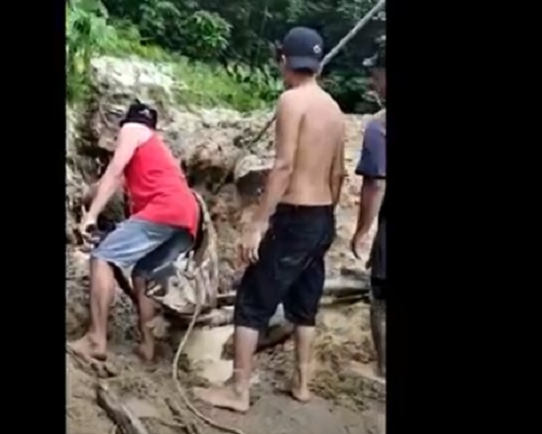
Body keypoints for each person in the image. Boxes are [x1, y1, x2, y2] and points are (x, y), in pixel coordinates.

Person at [195, 26, 346, 412]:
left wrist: (260, 223)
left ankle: (238, 391)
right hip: (322, 217)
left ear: (284, 60)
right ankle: (302, 383)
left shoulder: (291, 101)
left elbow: (282, 167)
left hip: (295, 217)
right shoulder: (334, 109)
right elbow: (338, 174)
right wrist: (325, 215)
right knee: (305, 301)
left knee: (252, 299)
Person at [69, 101, 200, 363]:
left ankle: (95, 339)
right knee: (143, 273)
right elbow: (111, 182)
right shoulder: (155, 149)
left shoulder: (131, 130)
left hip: (165, 210)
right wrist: (88, 198)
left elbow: (114, 172)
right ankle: (148, 346)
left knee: (102, 258)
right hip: (188, 219)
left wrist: (91, 216)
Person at [349, 54, 387, 378]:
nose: (372, 84)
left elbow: (375, 184)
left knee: (381, 298)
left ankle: (384, 368)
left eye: (375, 76)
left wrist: (362, 230)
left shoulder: (379, 127)